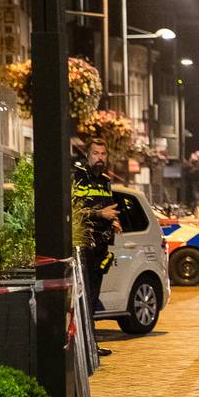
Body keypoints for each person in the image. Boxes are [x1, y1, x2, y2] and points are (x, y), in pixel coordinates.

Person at [73, 138, 120, 357]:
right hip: (84, 246)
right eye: (95, 154)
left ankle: (91, 344)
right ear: (87, 155)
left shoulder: (105, 181)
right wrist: (100, 214)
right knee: (84, 298)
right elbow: (73, 212)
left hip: (101, 247)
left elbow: (109, 209)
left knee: (93, 298)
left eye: (103, 154)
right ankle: (83, 346)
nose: (100, 158)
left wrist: (114, 221)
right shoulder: (78, 178)